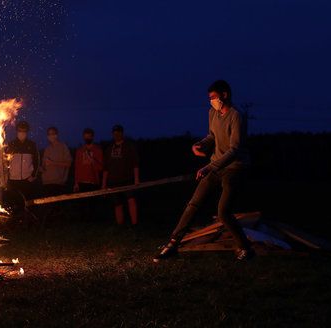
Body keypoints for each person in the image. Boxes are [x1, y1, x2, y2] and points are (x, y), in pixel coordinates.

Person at [153, 80, 254, 262]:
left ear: (225, 95)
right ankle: (173, 243)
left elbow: (235, 149)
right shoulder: (212, 113)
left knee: (223, 211)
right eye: (210, 98)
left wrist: (209, 166)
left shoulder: (236, 116)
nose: (212, 101)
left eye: (214, 97)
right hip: (216, 165)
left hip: (233, 168)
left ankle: (245, 248)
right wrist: (200, 144)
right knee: (194, 203)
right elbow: (212, 136)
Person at [102, 125, 140, 226]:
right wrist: (104, 185)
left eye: (118, 132)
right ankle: (120, 225)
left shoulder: (129, 147)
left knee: (131, 200)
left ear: (122, 133)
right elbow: (105, 168)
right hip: (113, 181)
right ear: (112, 134)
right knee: (117, 204)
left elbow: (135, 164)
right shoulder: (109, 149)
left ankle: (135, 224)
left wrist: (136, 179)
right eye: (115, 133)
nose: (117, 135)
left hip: (127, 179)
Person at [5, 121, 40, 200]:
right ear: (17, 131)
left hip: (27, 180)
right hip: (13, 180)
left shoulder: (32, 145)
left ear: (27, 132)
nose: (22, 133)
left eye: (24, 131)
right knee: (14, 202)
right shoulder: (11, 144)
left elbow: (37, 161)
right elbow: (6, 162)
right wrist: (7, 177)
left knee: (28, 202)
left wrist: (34, 175)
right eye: (20, 131)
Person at [41, 126, 72, 196]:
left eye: (52, 134)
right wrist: (40, 169)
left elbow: (68, 163)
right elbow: (44, 166)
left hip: (58, 183)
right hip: (46, 183)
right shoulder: (47, 149)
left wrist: (53, 163)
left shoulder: (63, 147)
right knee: (48, 205)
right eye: (48, 134)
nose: (50, 136)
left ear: (56, 135)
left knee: (57, 205)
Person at [74, 128, 103, 193]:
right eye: (85, 137)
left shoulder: (98, 150)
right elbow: (77, 168)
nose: (87, 139)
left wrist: (92, 160)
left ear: (92, 137)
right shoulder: (80, 151)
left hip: (93, 182)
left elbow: (100, 168)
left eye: (89, 137)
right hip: (81, 183)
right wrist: (76, 183)